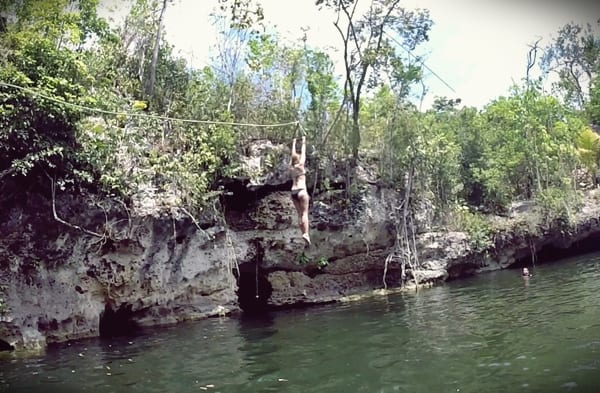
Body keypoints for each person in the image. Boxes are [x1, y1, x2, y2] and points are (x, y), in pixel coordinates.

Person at [289, 136, 311, 245]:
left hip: (293, 192)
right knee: (305, 213)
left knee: (299, 214)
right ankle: (306, 233)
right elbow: (303, 153)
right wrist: (303, 142)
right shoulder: (301, 165)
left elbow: (292, 155)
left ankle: (303, 233)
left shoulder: (291, 167)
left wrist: (293, 143)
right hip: (302, 190)